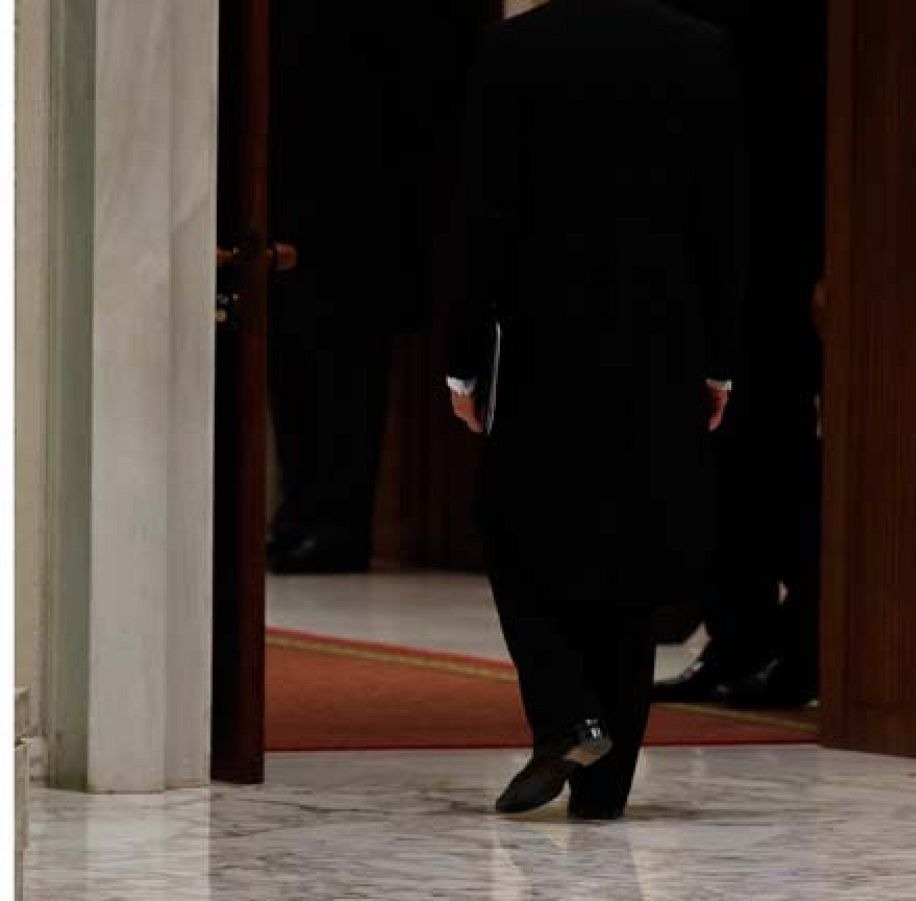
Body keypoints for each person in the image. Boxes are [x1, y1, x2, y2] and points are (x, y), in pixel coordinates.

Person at [447, 0, 746, 820]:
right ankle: (605, 785)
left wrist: (464, 359)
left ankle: (565, 715)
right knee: (634, 547)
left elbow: (482, 211)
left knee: (514, 529)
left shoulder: (514, 49)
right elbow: (722, 215)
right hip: (664, 336)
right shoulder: (701, 46)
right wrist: (720, 357)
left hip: (544, 335)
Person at [651, 0, 826, 710]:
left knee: (777, 454)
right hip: (717, 254)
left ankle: (802, 643)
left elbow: (809, 128)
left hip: (780, 257)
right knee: (724, 455)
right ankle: (736, 637)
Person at [267, 5, 482, 573]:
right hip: (296, 192)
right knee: (290, 360)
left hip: (371, 201)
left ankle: (337, 521)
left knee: (347, 372)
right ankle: (299, 511)